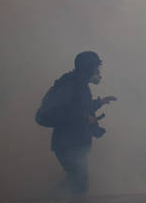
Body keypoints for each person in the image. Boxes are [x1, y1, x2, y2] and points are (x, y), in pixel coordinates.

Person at [35, 51, 117, 194]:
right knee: (79, 186)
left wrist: (99, 103)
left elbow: (79, 108)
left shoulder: (80, 85)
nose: (98, 71)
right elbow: (55, 111)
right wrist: (83, 118)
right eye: (96, 67)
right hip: (68, 145)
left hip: (75, 143)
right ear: (88, 67)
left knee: (76, 182)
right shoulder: (71, 85)